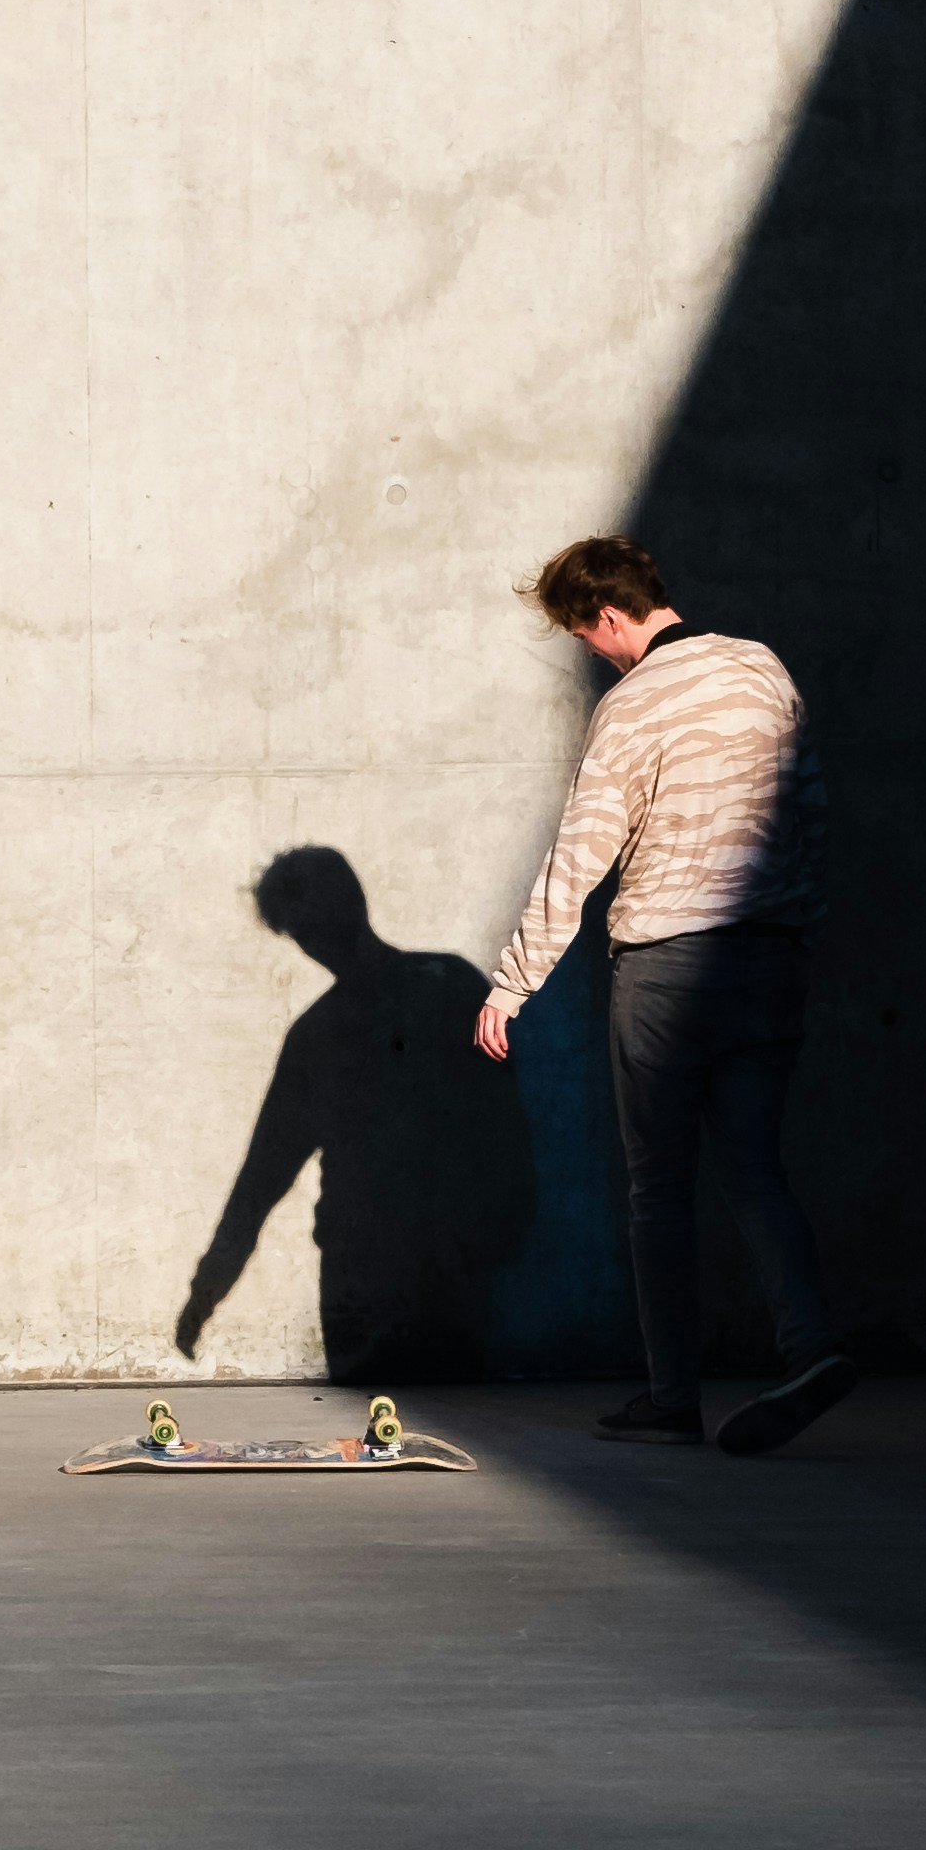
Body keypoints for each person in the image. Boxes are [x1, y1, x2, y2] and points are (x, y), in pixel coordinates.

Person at [475, 535, 856, 1457]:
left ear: (608, 617)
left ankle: (671, 1396)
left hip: (671, 967)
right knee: (754, 1165)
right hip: (768, 956)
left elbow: (583, 851)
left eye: (581, 634)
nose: (590, 651)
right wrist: (793, 928)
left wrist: (513, 983)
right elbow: (810, 812)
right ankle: (812, 1348)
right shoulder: (763, 670)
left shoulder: (633, 703)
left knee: (657, 1186)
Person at [177, 849, 533, 1385]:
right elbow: (504, 1119)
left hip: (379, 1267)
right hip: (434, 1259)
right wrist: (512, 1216)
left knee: (380, 1435)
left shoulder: (323, 1033)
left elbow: (264, 1176)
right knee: (451, 1420)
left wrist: (207, 1289)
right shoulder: (450, 986)